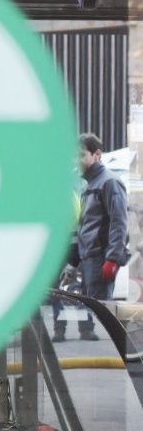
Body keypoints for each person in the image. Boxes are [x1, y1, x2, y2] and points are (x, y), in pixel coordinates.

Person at [72, 132, 130, 333]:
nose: (77, 161)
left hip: (100, 259)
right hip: (88, 258)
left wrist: (112, 258)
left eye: (81, 155)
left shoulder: (109, 182)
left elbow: (119, 222)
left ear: (97, 154)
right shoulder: (89, 185)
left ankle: (108, 361)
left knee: (99, 317)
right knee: (89, 316)